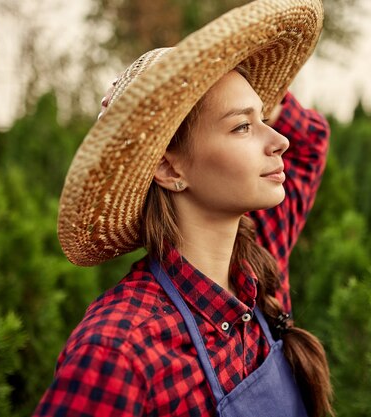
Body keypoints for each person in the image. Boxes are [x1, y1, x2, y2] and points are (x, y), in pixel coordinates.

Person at [34, 0, 332, 416]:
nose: (278, 139)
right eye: (242, 126)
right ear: (170, 167)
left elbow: (309, 142)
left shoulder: (258, 269)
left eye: (265, 117)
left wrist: (222, 75)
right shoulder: (118, 350)